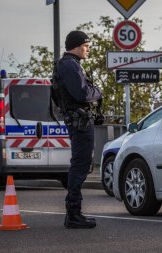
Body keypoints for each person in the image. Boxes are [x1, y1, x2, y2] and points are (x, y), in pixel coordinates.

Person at [52, 30, 103, 229]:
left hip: (78, 120)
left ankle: (74, 213)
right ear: (76, 46)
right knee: (80, 165)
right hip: (79, 121)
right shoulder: (70, 66)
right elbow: (82, 94)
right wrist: (98, 92)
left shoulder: (68, 65)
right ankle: (73, 214)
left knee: (80, 164)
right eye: (86, 46)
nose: (88, 50)